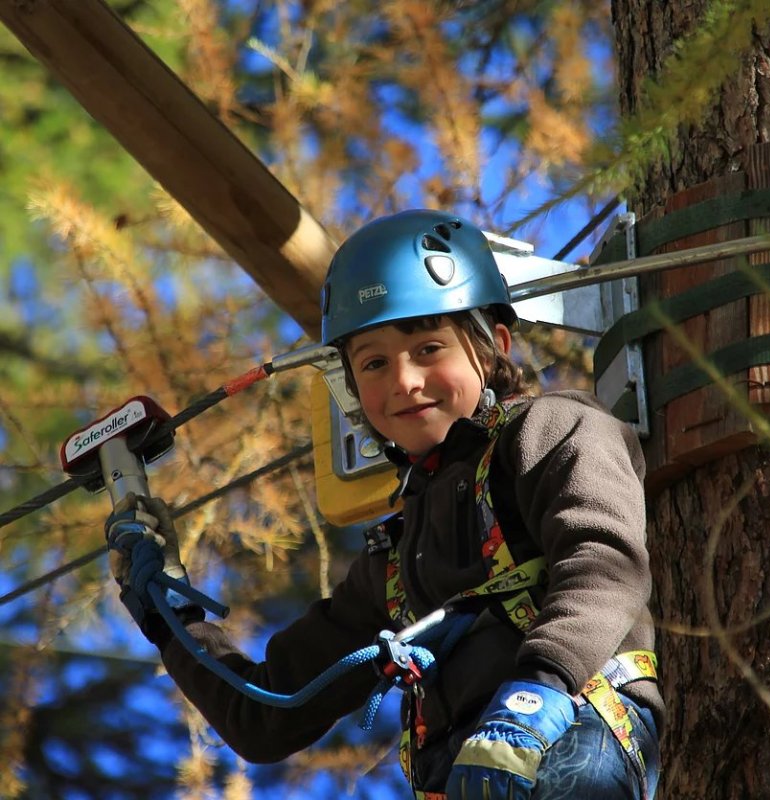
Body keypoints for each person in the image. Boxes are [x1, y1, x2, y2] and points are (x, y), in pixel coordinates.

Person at [105, 209, 664, 799]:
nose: (404, 381)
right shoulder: (395, 564)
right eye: (374, 363)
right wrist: (169, 615)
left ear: (495, 344)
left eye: (428, 348)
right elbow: (267, 714)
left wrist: (538, 692)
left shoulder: (555, 428)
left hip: (573, 735)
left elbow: (603, 564)